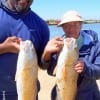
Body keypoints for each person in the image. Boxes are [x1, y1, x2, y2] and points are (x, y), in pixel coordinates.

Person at [42, 10, 100, 100]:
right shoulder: (58, 44)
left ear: (81, 25)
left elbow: (98, 71)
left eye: (75, 24)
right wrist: (47, 53)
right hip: (62, 92)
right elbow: (51, 71)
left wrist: (86, 67)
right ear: (62, 28)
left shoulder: (94, 44)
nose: (71, 28)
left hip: (89, 95)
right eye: (66, 25)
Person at [0, 0, 50, 99]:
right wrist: (4, 48)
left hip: (30, 92)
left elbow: (43, 65)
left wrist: (47, 54)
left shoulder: (41, 25)